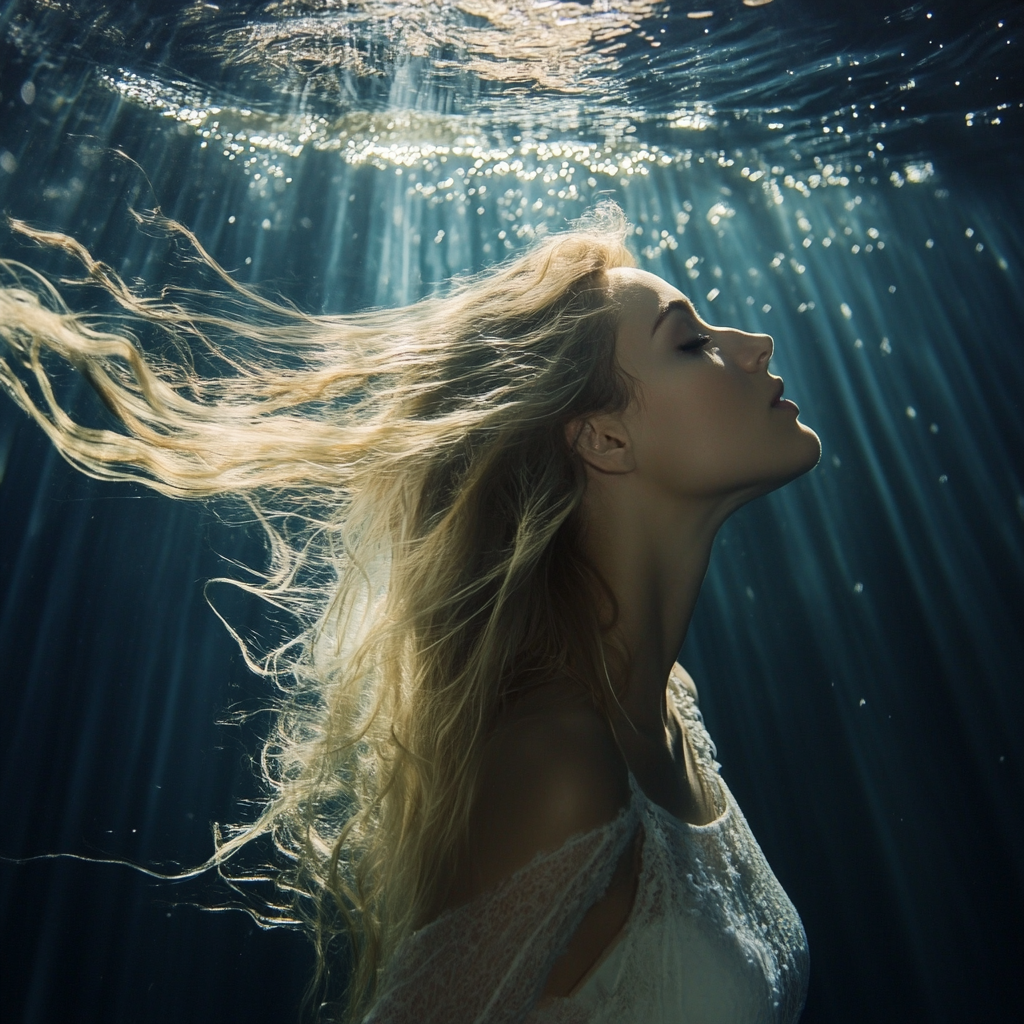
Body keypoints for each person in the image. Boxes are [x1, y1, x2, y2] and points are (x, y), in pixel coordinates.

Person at [0, 203, 817, 1023]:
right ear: (603, 441)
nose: (754, 346)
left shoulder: (669, 706)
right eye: (692, 342)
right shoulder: (561, 767)